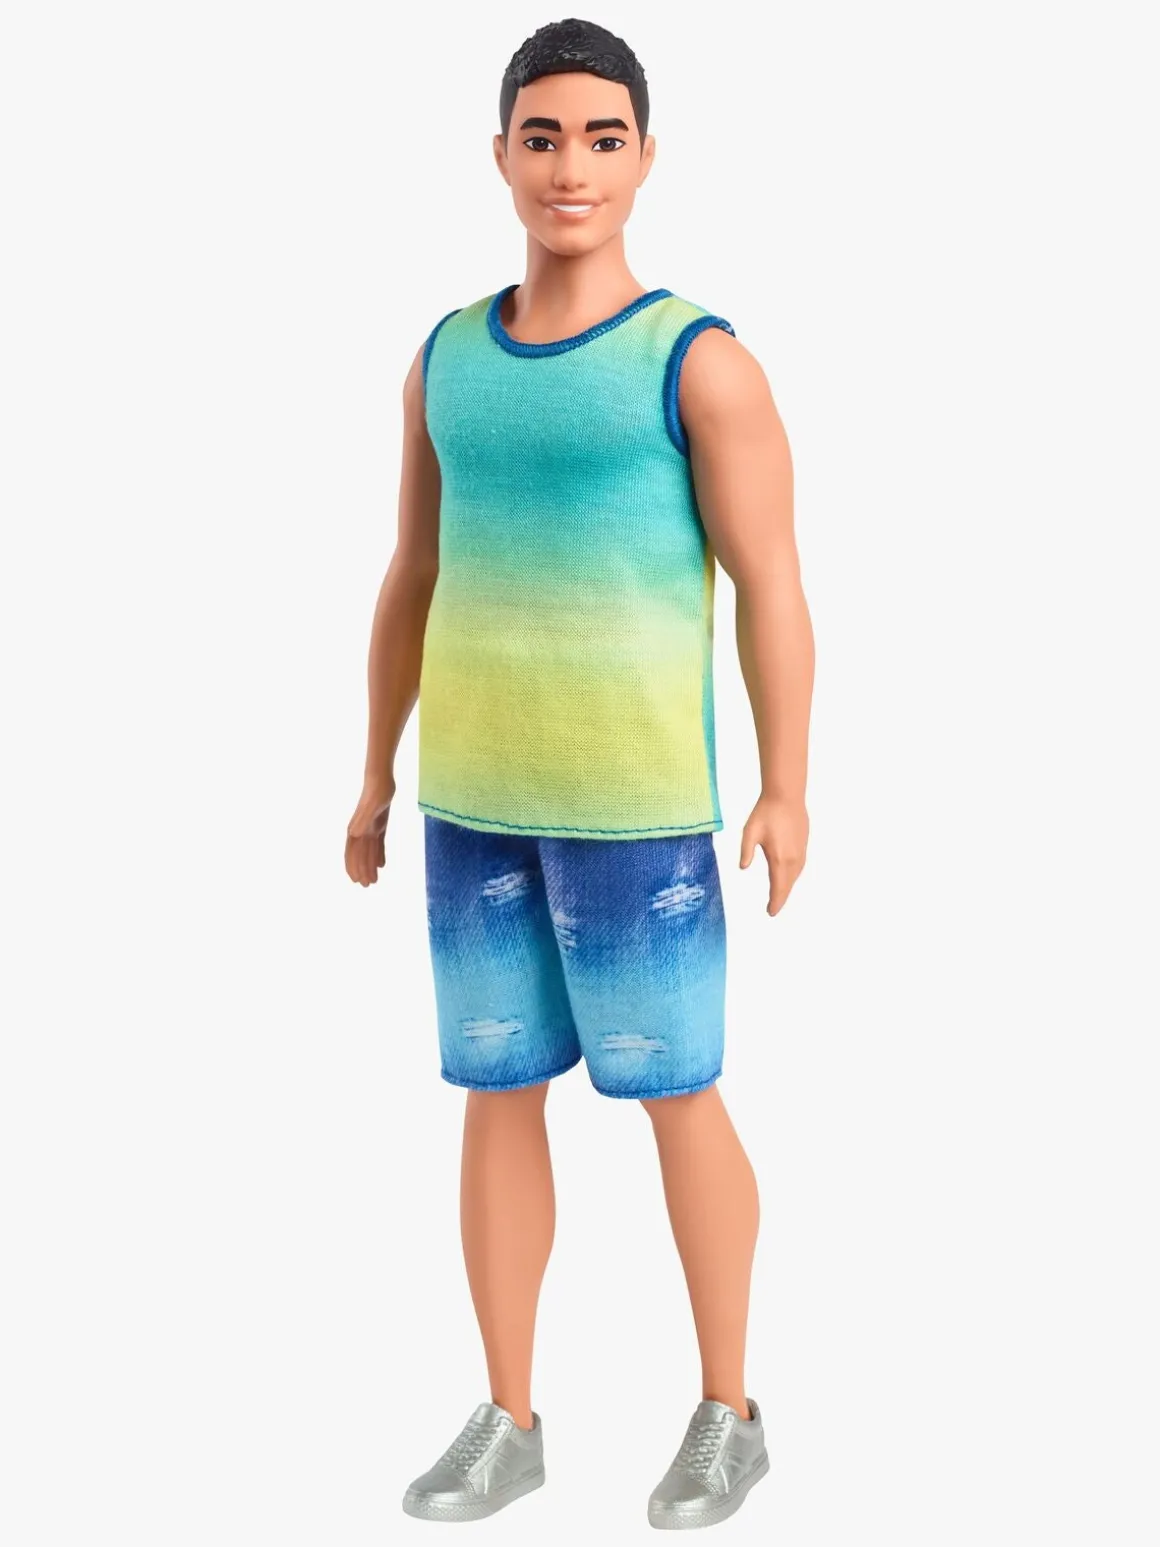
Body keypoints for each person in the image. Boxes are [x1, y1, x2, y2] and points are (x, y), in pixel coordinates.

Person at [344, 16, 814, 1531]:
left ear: (646, 158)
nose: (570, 168)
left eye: (602, 138)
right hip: (474, 799)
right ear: (500, 154)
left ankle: (731, 1407)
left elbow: (773, 582)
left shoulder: (700, 363)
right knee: (494, 1092)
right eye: (542, 137)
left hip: (635, 814)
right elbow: (413, 570)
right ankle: (510, 1413)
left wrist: (788, 782)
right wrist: (374, 766)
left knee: (677, 1093)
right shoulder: (445, 359)